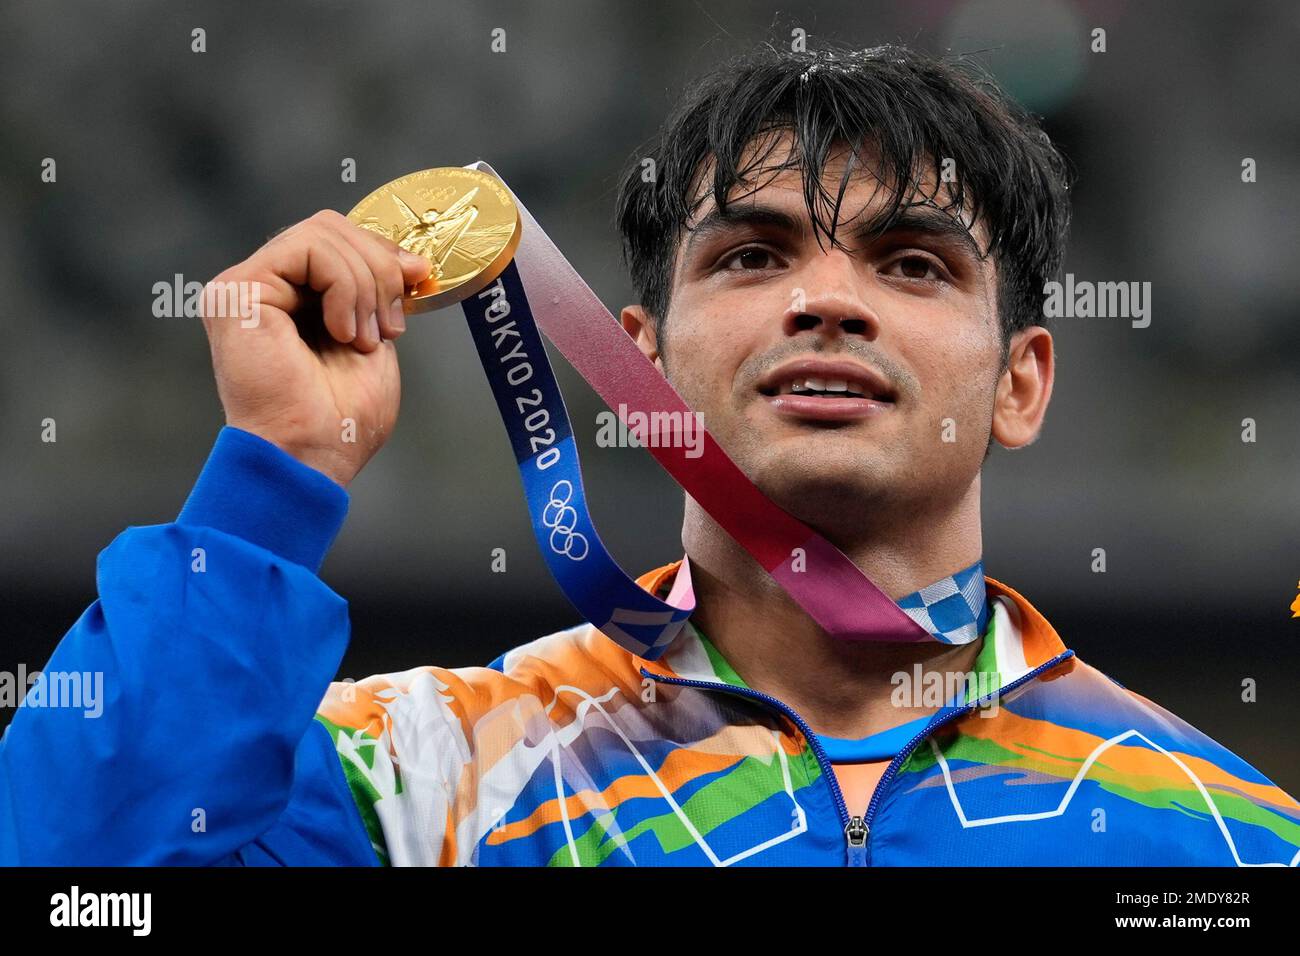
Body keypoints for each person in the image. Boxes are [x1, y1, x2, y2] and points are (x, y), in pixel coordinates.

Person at [2, 44, 1296, 867]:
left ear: (1021, 381)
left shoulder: (1222, 839)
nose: (826, 302)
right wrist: (271, 477)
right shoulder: (415, 779)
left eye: (910, 263)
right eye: (752, 255)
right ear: (644, 366)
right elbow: (70, 872)